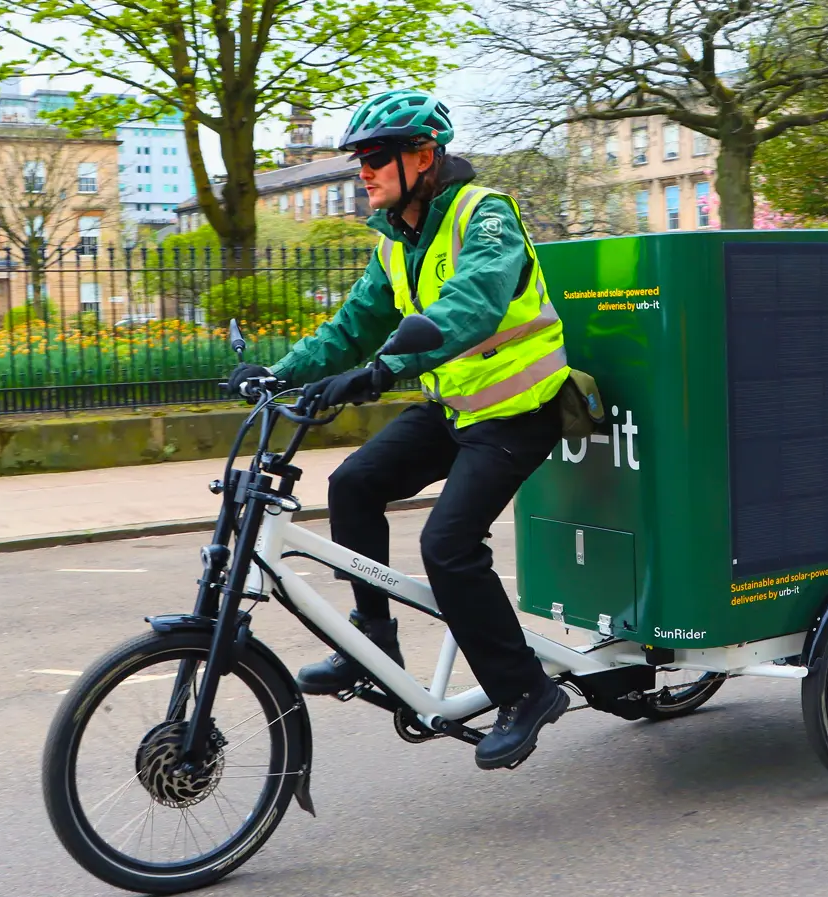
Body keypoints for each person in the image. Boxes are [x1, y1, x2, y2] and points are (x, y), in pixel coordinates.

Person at [226, 89, 571, 770]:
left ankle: (526, 691)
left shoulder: (486, 216)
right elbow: (352, 325)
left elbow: (471, 305)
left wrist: (383, 371)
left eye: (376, 157)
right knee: (353, 484)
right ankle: (374, 642)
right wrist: (281, 372)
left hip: (518, 411)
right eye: (361, 160)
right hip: (453, 408)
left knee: (448, 546)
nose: (365, 172)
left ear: (424, 156)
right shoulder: (395, 243)